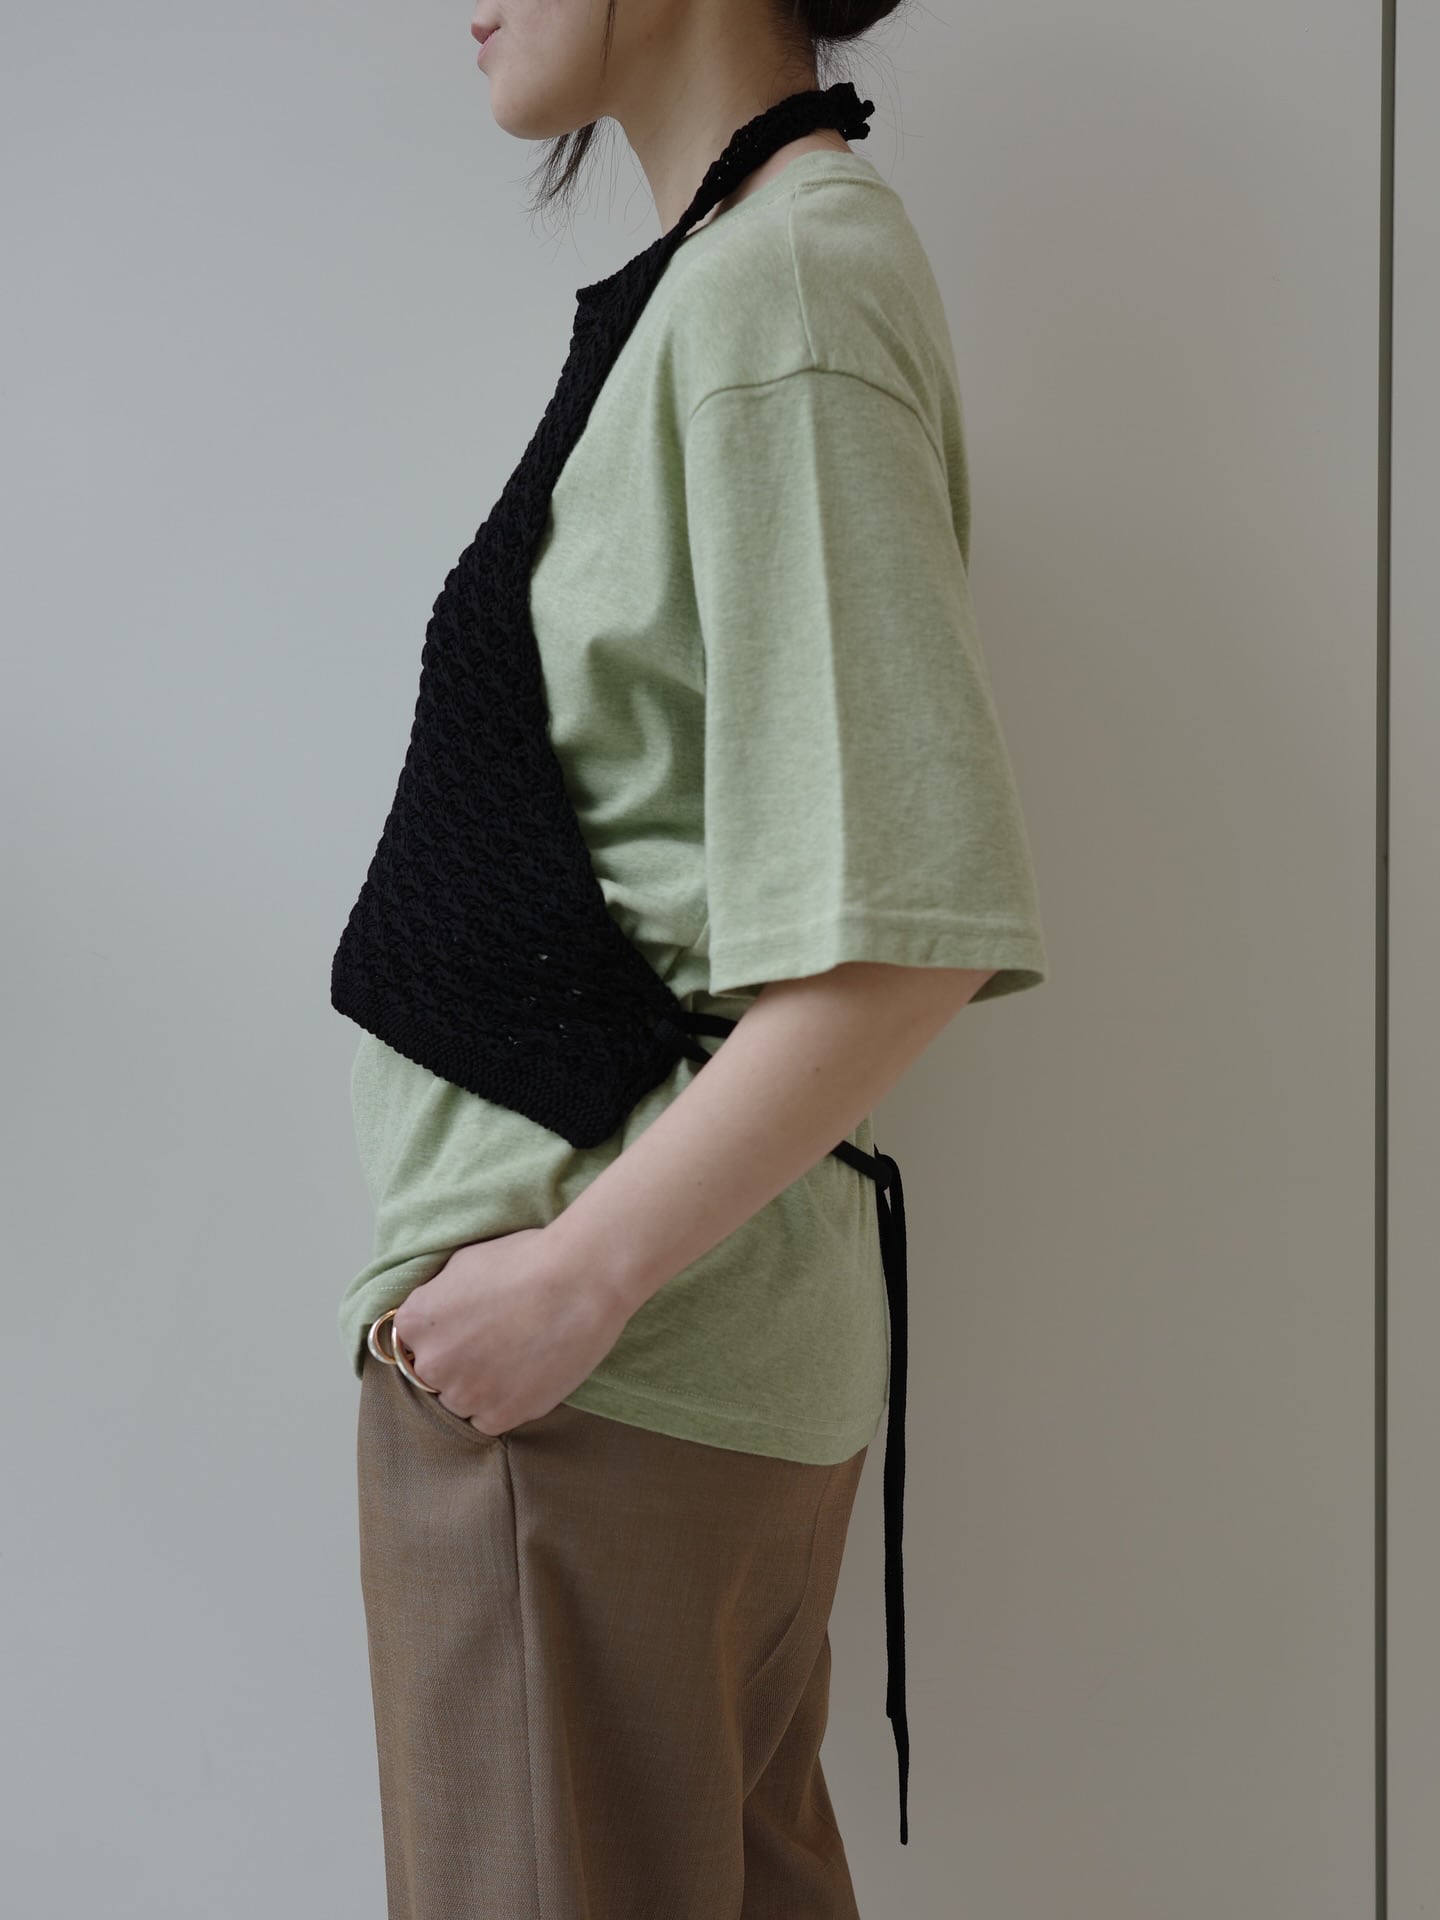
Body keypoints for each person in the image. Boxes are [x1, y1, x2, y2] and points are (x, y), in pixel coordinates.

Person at [342, 2, 1049, 1914]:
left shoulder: (779, 291)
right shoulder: (742, 280)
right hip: (629, 1378)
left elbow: (904, 934)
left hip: (595, 1392)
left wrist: (571, 1282)